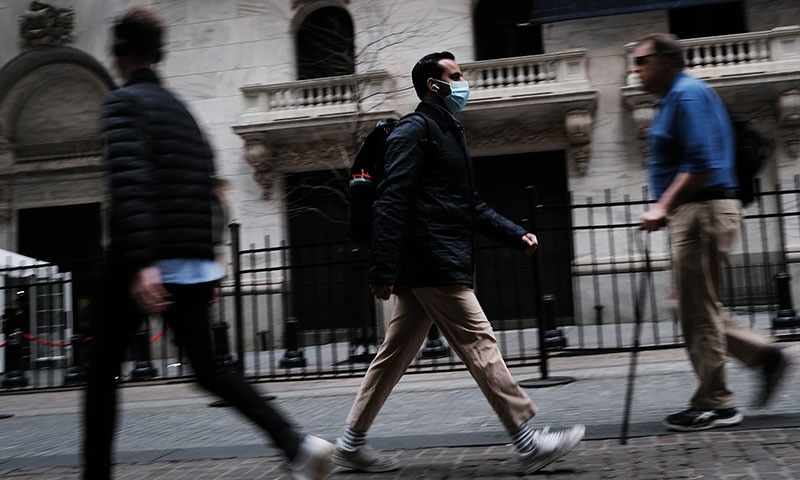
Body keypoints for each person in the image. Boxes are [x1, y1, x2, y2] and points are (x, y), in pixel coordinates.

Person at [82, 7, 333, 480]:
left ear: (118, 53)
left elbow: (130, 183)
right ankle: (297, 444)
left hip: (143, 257)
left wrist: (142, 264)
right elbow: (207, 188)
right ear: (158, 53)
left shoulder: (122, 104)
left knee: (100, 372)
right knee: (209, 368)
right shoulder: (182, 111)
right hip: (191, 261)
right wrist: (209, 260)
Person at [332, 51, 585, 475]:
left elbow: (467, 203)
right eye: (456, 75)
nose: (464, 82)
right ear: (434, 85)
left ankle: (350, 443)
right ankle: (528, 440)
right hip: (432, 258)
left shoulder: (449, 132)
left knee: (393, 355)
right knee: (479, 342)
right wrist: (382, 267)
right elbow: (393, 199)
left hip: (432, 258)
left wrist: (512, 231)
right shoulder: (416, 131)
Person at [634, 33, 792, 432]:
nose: (635, 70)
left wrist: (662, 207)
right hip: (699, 212)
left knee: (697, 311)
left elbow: (701, 162)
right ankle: (765, 356)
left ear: (666, 60)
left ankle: (717, 404)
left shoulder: (685, 95)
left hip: (701, 212)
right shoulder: (676, 98)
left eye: (641, 61)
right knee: (685, 305)